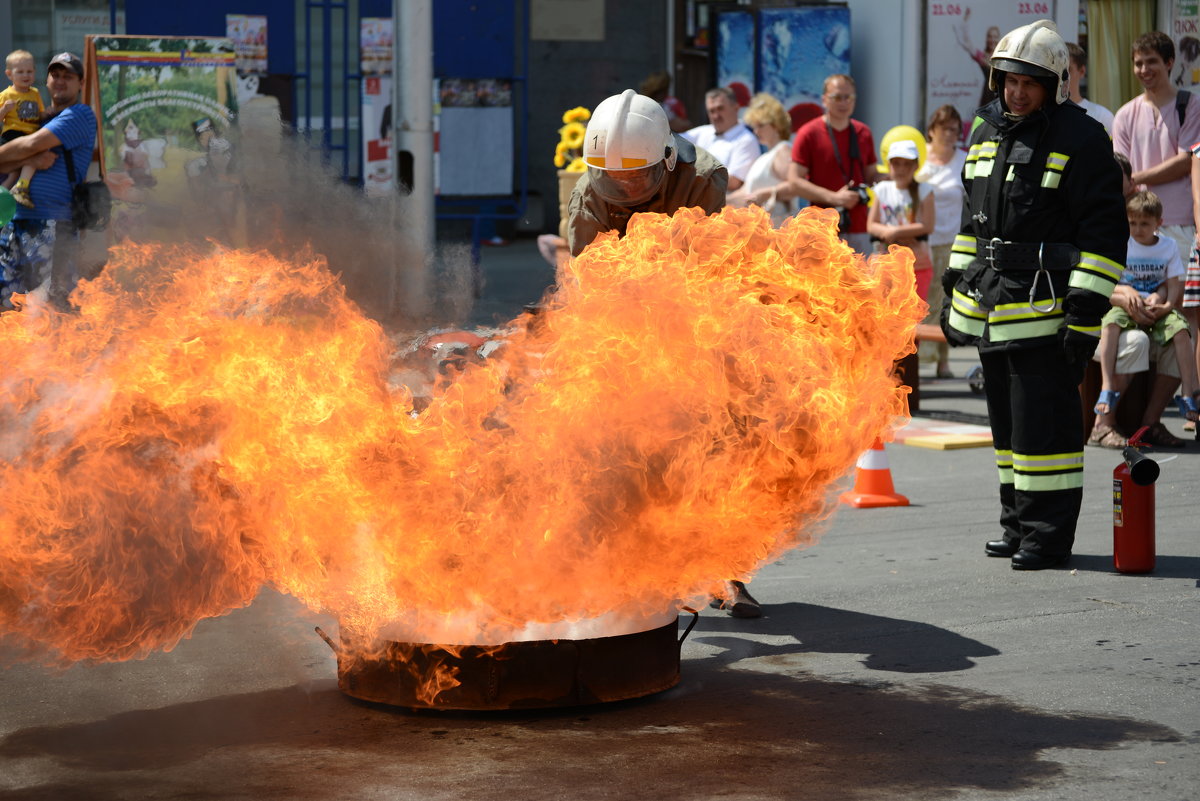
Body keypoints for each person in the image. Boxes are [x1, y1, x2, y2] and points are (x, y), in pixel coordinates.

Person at [941, 20, 1126, 570]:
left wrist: (1084, 316)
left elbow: (1102, 235)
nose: (1016, 91)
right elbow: (971, 223)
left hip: (1046, 311)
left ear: (1056, 83)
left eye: (1029, 82)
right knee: (1009, 433)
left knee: (1045, 433)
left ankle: (1048, 536)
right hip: (994, 308)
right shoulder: (985, 131)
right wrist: (955, 292)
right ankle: (1017, 524)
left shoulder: (1081, 138)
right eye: (1007, 80)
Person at [1090, 191, 1199, 447]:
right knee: (1132, 338)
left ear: (1158, 223)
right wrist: (1124, 294)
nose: (1137, 229)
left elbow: (1171, 285)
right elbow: (1100, 284)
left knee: (1181, 335)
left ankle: (1153, 421)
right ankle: (1103, 422)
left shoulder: (1166, 246)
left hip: (1153, 309)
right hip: (1119, 312)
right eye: (1132, 223)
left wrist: (1164, 303)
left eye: (1144, 223)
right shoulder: (1116, 241)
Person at [566, 89, 727, 258]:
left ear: (667, 159)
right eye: (615, 180)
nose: (628, 189)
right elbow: (587, 271)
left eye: (636, 177)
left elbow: (709, 260)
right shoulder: (587, 197)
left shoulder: (701, 181)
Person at [0, 52, 96, 310]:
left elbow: (30, 144)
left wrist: (23, 153)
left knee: (53, 309)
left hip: (54, 226)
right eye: (55, 75)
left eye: (68, 76)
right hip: (15, 223)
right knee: (6, 306)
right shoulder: (39, 119)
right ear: (47, 81)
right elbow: (15, 155)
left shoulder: (80, 115)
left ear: (81, 84)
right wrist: (22, 156)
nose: (60, 81)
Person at [1112, 31, 1200, 266]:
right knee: (1139, 299)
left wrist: (1135, 177)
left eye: (1151, 61)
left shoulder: (1191, 105)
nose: (1144, 69)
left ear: (1169, 62)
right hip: (1138, 225)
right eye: (1138, 63)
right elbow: (1120, 172)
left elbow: (1186, 161)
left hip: (1180, 223)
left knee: (1181, 301)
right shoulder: (1124, 115)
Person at [787, 74, 878, 253]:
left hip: (859, 228)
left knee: (861, 281)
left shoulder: (863, 132)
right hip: (821, 230)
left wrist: (899, 174)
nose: (843, 102)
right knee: (821, 281)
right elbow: (794, 181)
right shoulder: (809, 133)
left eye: (848, 97)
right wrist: (833, 198)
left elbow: (871, 175)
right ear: (824, 100)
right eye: (837, 97)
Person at [916, 104, 967, 378]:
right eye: (944, 128)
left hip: (952, 241)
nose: (949, 134)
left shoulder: (963, 160)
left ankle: (942, 360)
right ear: (931, 130)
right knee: (919, 301)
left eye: (954, 130)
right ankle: (915, 359)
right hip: (920, 241)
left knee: (947, 299)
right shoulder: (918, 158)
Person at [867, 139, 934, 300]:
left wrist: (896, 232)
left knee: (913, 312)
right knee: (884, 311)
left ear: (916, 166)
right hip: (886, 263)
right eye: (896, 163)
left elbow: (928, 225)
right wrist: (887, 232)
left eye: (907, 164)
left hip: (917, 265)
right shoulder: (882, 189)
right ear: (889, 165)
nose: (901, 169)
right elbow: (871, 225)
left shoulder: (925, 190)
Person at [724, 92, 797, 227]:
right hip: (762, 233)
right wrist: (716, 200)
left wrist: (767, 193)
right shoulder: (765, 157)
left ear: (776, 125)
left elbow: (794, 186)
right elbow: (745, 193)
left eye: (761, 125)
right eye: (754, 126)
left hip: (778, 233)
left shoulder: (783, 150)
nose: (756, 131)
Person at [681, 87, 759, 191]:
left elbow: (733, 182)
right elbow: (672, 141)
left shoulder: (746, 140)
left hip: (726, 205)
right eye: (711, 111)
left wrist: (690, 179)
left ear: (736, 108)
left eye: (720, 109)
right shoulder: (705, 131)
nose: (716, 116)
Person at [0, 50, 46, 208]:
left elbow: (41, 114)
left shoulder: (35, 93)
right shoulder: (6, 95)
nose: (25, 75)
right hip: (12, 134)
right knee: (25, 161)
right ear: (9, 74)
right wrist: (4, 110)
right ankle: (19, 187)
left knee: (17, 170)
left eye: (29, 71)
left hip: (31, 135)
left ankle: (16, 187)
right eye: (20, 72)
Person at [1066, 43, 1114, 134]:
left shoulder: (1102, 116)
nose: (1062, 76)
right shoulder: (1044, 115)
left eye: (1067, 70)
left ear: (1082, 71)